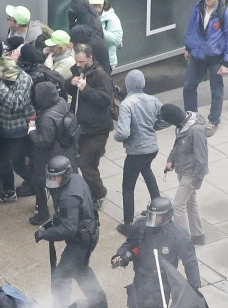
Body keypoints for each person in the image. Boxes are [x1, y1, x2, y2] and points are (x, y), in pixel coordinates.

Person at [35, 156, 108, 308]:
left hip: (81, 240)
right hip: (89, 232)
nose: (52, 180)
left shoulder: (68, 197)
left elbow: (69, 229)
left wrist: (45, 234)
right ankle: (99, 302)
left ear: (65, 174)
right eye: (50, 176)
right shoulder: (76, 178)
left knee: (61, 277)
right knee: (80, 269)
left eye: (55, 177)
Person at [112, 196, 201, 308]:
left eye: (157, 216)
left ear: (167, 216)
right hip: (140, 278)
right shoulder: (141, 226)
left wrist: (194, 289)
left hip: (161, 282)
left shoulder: (178, 235)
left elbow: (190, 262)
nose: (153, 219)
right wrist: (120, 255)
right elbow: (129, 244)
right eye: (151, 215)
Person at [113, 70, 165, 236]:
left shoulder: (126, 105)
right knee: (147, 172)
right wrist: (152, 128)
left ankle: (128, 224)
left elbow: (122, 133)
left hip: (136, 151)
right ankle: (159, 209)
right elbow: (163, 120)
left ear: (128, 85)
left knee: (128, 187)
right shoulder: (153, 100)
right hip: (152, 148)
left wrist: (116, 137)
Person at [64, 43, 113, 207]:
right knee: (90, 164)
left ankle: (99, 193)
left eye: (81, 62)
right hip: (82, 128)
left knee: (84, 163)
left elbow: (105, 99)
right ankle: (92, 190)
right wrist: (70, 83)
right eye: (76, 61)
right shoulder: (78, 71)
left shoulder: (101, 75)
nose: (78, 65)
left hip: (97, 130)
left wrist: (86, 89)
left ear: (90, 58)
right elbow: (71, 91)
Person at [183, 0, 228, 136]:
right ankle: (192, 118)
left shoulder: (225, 13)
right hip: (197, 56)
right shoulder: (198, 8)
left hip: (216, 58)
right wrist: (188, 47)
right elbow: (191, 29)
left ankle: (213, 121)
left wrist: (226, 63)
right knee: (189, 87)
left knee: (216, 91)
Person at [0, 55, 35, 203]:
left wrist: (0, 86)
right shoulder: (1, 78)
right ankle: (8, 191)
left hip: (18, 131)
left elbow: (15, 104)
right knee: (3, 160)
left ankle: (36, 184)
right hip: (2, 127)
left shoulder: (25, 80)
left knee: (18, 163)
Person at [160, 104, 209, 245]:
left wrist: (196, 182)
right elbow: (178, 145)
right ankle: (198, 236)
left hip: (191, 174)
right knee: (190, 203)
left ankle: (183, 242)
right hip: (183, 170)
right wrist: (171, 160)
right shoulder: (182, 125)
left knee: (178, 206)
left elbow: (202, 158)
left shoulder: (195, 130)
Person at [28, 81, 75, 225]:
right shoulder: (60, 102)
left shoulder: (47, 118)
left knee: (42, 183)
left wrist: (31, 129)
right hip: (62, 150)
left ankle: (45, 214)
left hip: (49, 156)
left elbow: (43, 142)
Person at [94, 0, 123, 69]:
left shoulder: (111, 17)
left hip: (106, 62)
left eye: (95, 5)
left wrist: (99, 30)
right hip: (89, 60)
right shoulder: (85, 14)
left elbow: (117, 39)